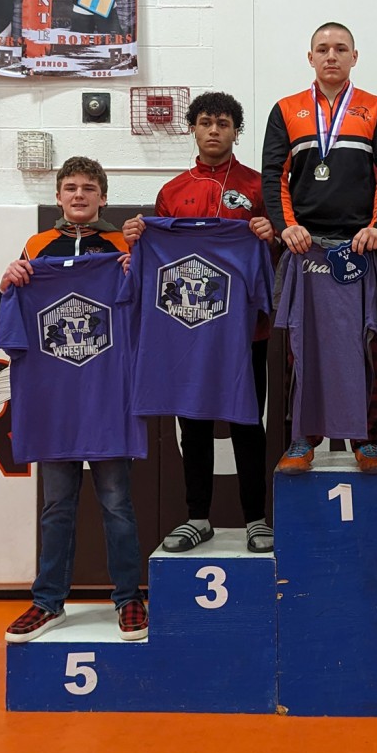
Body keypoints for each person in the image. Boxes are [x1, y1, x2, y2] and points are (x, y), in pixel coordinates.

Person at [0, 156, 148, 643]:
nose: (79, 195)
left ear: (103, 196)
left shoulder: (122, 245)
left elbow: (146, 316)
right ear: (58, 196)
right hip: (56, 403)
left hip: (106, 398)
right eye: (70, 187)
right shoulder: (36, 246)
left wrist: (136, 275)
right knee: (56, 507)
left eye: (88, 187)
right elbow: (10, 313)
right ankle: (48, 602)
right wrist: (6, 283)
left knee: (117, 504)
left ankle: (128, 597)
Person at [122, 92, 276, 554]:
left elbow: (273, 260)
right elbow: (156, 263)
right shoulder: (172, 191)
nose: (214, 130)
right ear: (192, 128)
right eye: (206, 122)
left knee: (247, 422)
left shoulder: (257, 187)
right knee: (192, 423)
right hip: (186, 328)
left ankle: (256, 519)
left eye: (223, 123)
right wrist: (137, 238)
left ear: (236, 132)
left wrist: (268, 235)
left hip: (244, 332)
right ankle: (197, 518)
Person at [261, 21, 377, 475]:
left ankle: (366, 440)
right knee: (301, 348)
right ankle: (302, 439)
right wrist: (287, 227)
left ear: (354, 57)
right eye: (322, 49)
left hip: (359, 247)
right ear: (310, 58)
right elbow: (274, 175)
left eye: (341, 48)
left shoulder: (376, 108)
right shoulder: (287, 109)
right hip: (305, 249)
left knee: (366, 345)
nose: (331, 56)